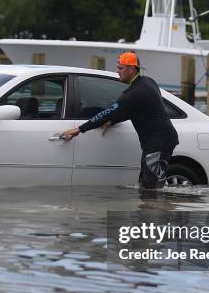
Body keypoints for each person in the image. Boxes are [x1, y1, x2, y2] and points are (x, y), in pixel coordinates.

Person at [61, 51, 179, 189]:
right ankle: (161, 208)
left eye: (120, 68)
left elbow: (107, 113)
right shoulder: (148, 82)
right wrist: (113, 121)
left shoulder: (133, 93)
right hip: (163, 140)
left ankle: (155, 209)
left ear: (131, 69)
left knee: (149, 187)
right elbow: (136, 110)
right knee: (151, 184)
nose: (118, 72)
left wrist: (79, 129)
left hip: (158, 143)